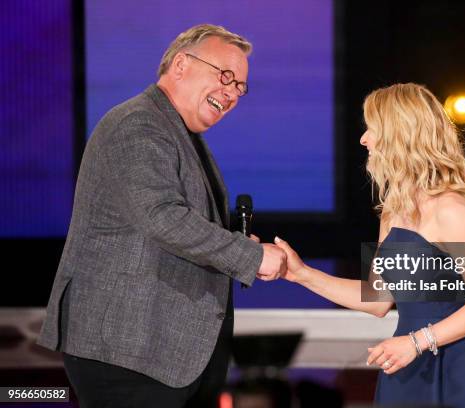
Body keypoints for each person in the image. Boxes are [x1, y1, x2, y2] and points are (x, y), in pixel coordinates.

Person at [37, 24, 287, 408]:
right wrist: (250, 257)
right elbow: (162, 217)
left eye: (240, 86)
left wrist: (236, 243)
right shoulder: (137, 124)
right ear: (181, 64)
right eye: (225, 76)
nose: (232, 93)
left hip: (163, 355)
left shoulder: (176, 132)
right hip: (127, 353)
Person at [274, 83, 465, 407]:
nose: (363, 139)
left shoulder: (451, 209)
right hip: (409, 364)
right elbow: (378, 299)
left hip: (459, 368)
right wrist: (300, 274)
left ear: (399, 134)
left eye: (371, 128)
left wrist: (417, 341)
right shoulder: (393, 212)